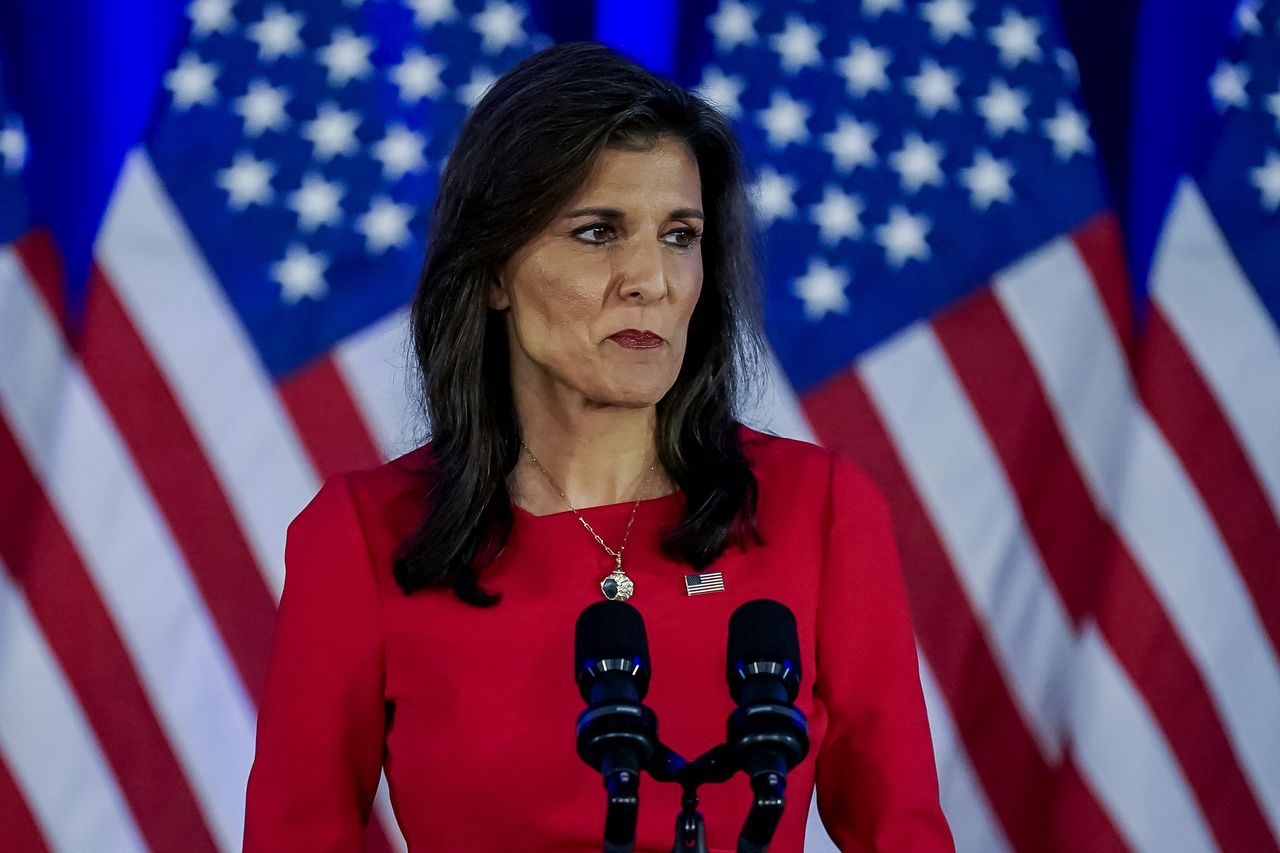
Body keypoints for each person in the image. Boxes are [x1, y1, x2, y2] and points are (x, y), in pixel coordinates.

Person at [243, 42, 954, 852]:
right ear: (493, 273)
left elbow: (902, 834)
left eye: (679, 234)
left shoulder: (818, 510)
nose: (650, 277)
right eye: (597, 232)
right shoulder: (364, 536)